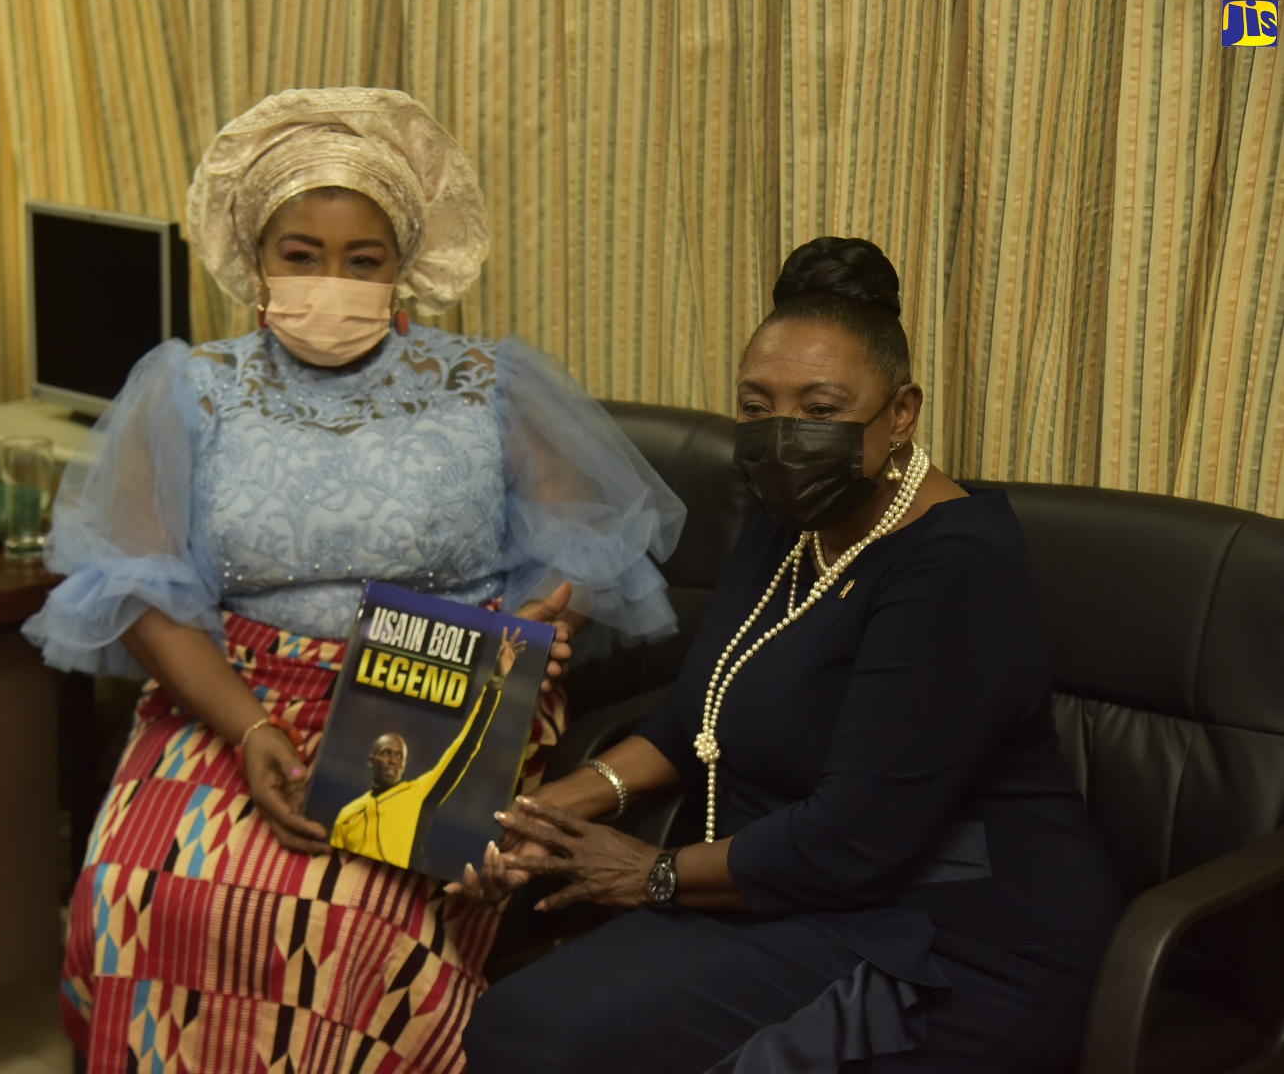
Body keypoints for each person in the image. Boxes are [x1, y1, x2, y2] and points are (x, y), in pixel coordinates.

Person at [22, 87, 684, 1074]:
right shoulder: (186, 385)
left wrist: (546, 625)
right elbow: (141, 588)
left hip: (431, 697)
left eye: (362, 261)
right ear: (257, 262)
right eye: (302, 255)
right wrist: (247, 729)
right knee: (142, 896)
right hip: (228, 696)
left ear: (403, 269)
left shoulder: (487, 385)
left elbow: (584, 549)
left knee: (347, 934)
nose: (331, 281)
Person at [460, 237, 1123, 1073]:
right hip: (778, 886)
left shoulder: (956, 569)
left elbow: (855, 841)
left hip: (951, 936)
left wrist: (651, 874)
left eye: (820, 410)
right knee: (523, 1025)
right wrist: (554, 812)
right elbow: (699, 718)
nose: (784, 437)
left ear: (902, 413)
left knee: (545, 1038)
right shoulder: (791, 516)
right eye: (757, 406)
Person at [331, 630, 525, 867]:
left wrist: (496, 681)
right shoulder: (347, 814)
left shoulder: (418, 793)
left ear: (404, 763)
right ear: (371, 760)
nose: (392, 760)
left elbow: (466, 746)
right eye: (386, 753)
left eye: (398, 755)